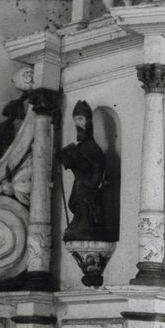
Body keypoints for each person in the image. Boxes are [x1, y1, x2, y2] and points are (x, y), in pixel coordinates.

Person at [58, 100, 107, 241]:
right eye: (75, 120)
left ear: (88, 121)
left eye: (80, 119)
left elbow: (96, 174)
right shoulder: (81, 146)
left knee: (83, 205)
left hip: (88, 189)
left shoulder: (92, 147)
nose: (77, 124)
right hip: (81, 185)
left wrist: (76, 161)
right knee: (73, 203)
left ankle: (85, 226)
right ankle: (80, 225)